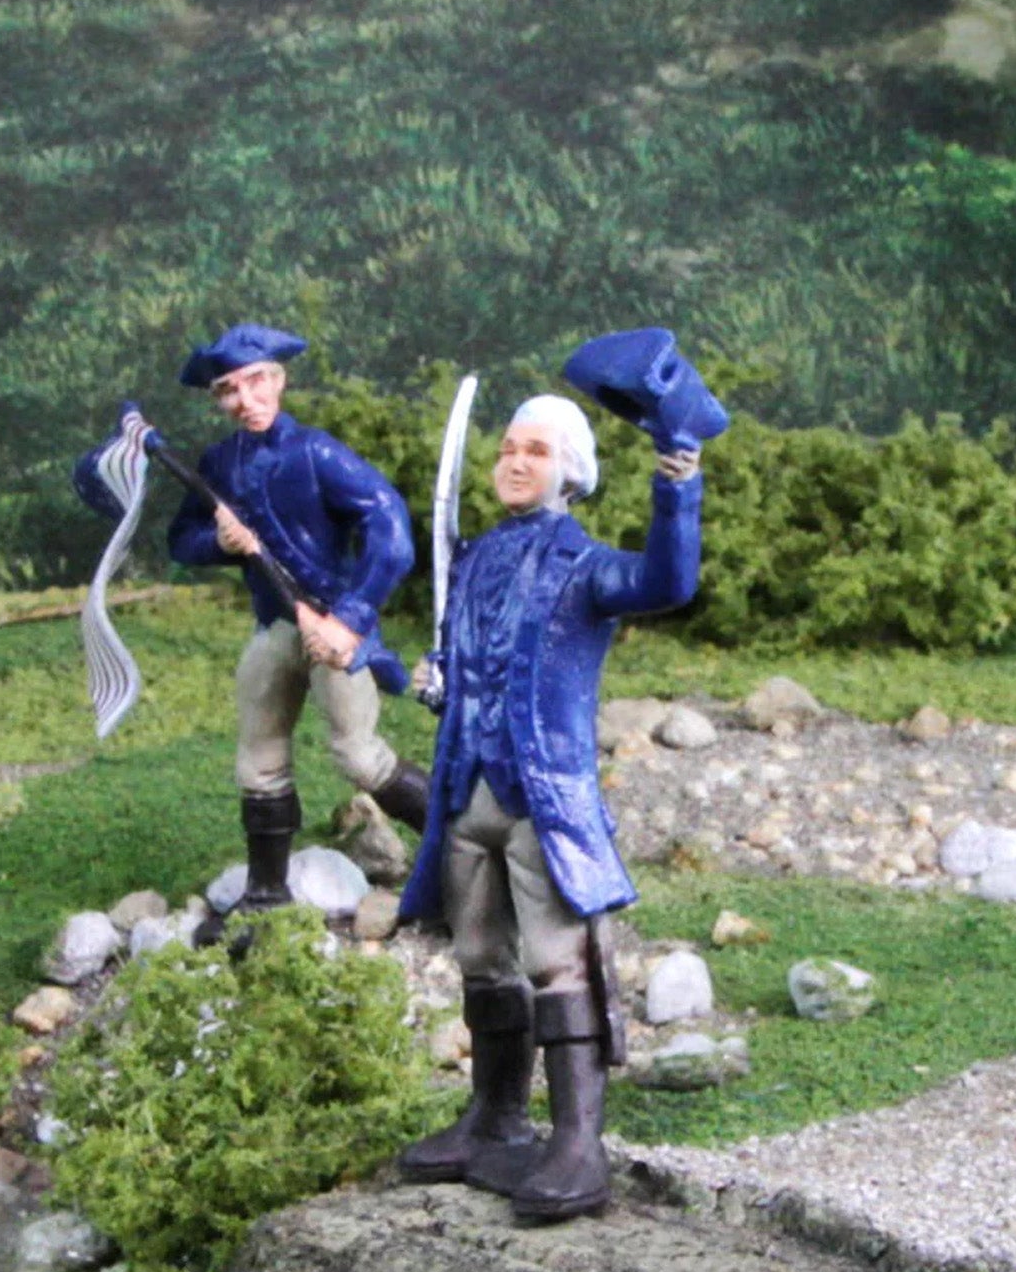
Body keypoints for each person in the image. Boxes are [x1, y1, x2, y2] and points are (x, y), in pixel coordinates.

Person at [397, 365, 708, 1225]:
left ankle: (577, 1143)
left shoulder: (585, 566)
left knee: (557, 960)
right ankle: (493, 1118)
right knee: (480, 956)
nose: (514, 461)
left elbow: (667, 582)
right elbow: (466, 656)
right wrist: (437, 676)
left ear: (570, 469)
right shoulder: (474, 560)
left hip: (543, 799)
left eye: (535, 450)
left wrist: (677, 486)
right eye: (508, 448)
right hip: (467, 793)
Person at [137, 322, 430, 917]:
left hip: (330, 627)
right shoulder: (219, 464)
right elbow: (182, 539)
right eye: (228, 390)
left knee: (358, 755)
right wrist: (220, 542)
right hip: (275, 629)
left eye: (255, 382)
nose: (245, 400)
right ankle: (267, 891)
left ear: (278, 380)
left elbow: (390, 526)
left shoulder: (314, 452)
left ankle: (455, 850)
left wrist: (350, 618)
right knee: (259, 758)